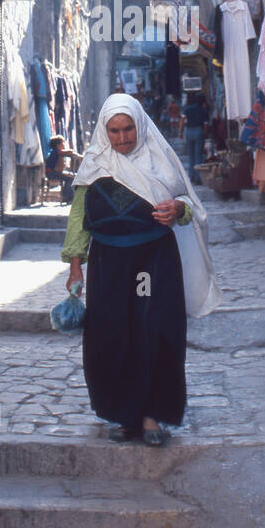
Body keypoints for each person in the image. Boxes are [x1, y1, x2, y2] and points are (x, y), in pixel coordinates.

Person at [60, 94, 214, 447]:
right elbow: (78, 220)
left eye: (128, 129)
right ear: (105, 131)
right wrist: (75, 266)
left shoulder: (159, 162)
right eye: (114, 131)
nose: (122, 137)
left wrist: (177, 208)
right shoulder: (94, 165)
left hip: (154, 260)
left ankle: (150, 416)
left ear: (139, 126)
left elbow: (190, 205)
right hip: (108, 264)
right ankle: (125, 415)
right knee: (112, 335)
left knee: (155, 330)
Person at [182, 92, 209, 183]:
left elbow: (182, 120)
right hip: (199, 131)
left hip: (189, 131)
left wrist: (180, 132)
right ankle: (198, 178)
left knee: (191, 155)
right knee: (198, 155)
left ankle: (191, 176)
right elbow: (205, 125)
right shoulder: (204, 110)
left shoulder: (188, 109)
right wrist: (205, 135)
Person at [45, 135, 76, 203]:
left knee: (70, 177)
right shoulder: (57, 151)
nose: (64, 144)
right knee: (70, 179)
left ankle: (67, 196)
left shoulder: (55, 152)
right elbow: (68, 152)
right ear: (57, 145)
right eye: (62, 143)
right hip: (52, 173)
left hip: (52, 172)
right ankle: (67, 197)